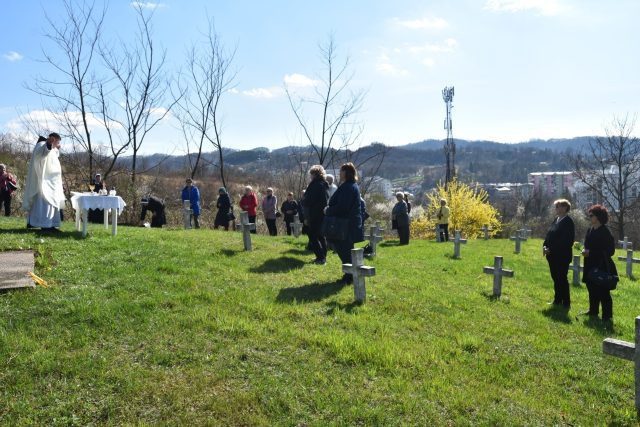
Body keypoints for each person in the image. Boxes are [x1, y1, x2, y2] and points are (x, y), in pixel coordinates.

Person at [324, 163, 364, 283]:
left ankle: (350, 276)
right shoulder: (350, 185)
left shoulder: (348, 187)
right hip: (347, 224)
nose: (339, 173)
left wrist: (328, 210)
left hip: (346, 225)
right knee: (344, 249)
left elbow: (343, 207)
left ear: (347, 173)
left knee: (345, 250)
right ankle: (349, 275)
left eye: (341, 171)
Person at [23, 133, 66, 231]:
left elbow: (53, 153)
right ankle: (46, 225)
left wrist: (56, 148)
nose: (58, 144)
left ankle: (44, 224)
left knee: (48, 204)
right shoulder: (42, 144)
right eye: (58, 142)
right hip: (44, 182)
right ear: (53, 139)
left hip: (51, 182)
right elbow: (43, 153)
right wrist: (49, 144)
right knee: (45, 204)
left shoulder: (52, 148)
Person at [582, 204, 617, 321]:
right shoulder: (590, 229)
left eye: (591, 215)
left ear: (598, 217)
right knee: (591, 288)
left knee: (603, 292)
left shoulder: (605, 232)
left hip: (601, 265)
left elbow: (610, 251)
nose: (589, 217)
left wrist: (590, 252)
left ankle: (607, 317)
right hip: (589, 264)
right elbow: (587, 245)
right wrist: (584, 250)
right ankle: (593, 311)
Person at [543, 199, 575, 309]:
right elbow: (549, 235)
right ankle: (557, 300)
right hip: (551, 256)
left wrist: (551, 248)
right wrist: (545, 246)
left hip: (562, 256)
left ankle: (566, 302)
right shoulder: (555, 220)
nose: (558, 209)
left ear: (566, 208)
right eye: (556, 207)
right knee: (555, 278)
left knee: (562, 278)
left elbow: (567, 241)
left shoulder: (568, 222)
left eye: (560, 206)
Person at [304, 166, 329, 264]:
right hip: (321, 214)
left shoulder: (316, 185)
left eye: (311, 174)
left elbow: (309, 200)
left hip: (315, 214)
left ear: (314, 174)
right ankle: (323, 256)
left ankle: (320, 257)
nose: (310, 176)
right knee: (320, 236)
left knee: (312, 235)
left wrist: (304, 200)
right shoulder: (323, 184)